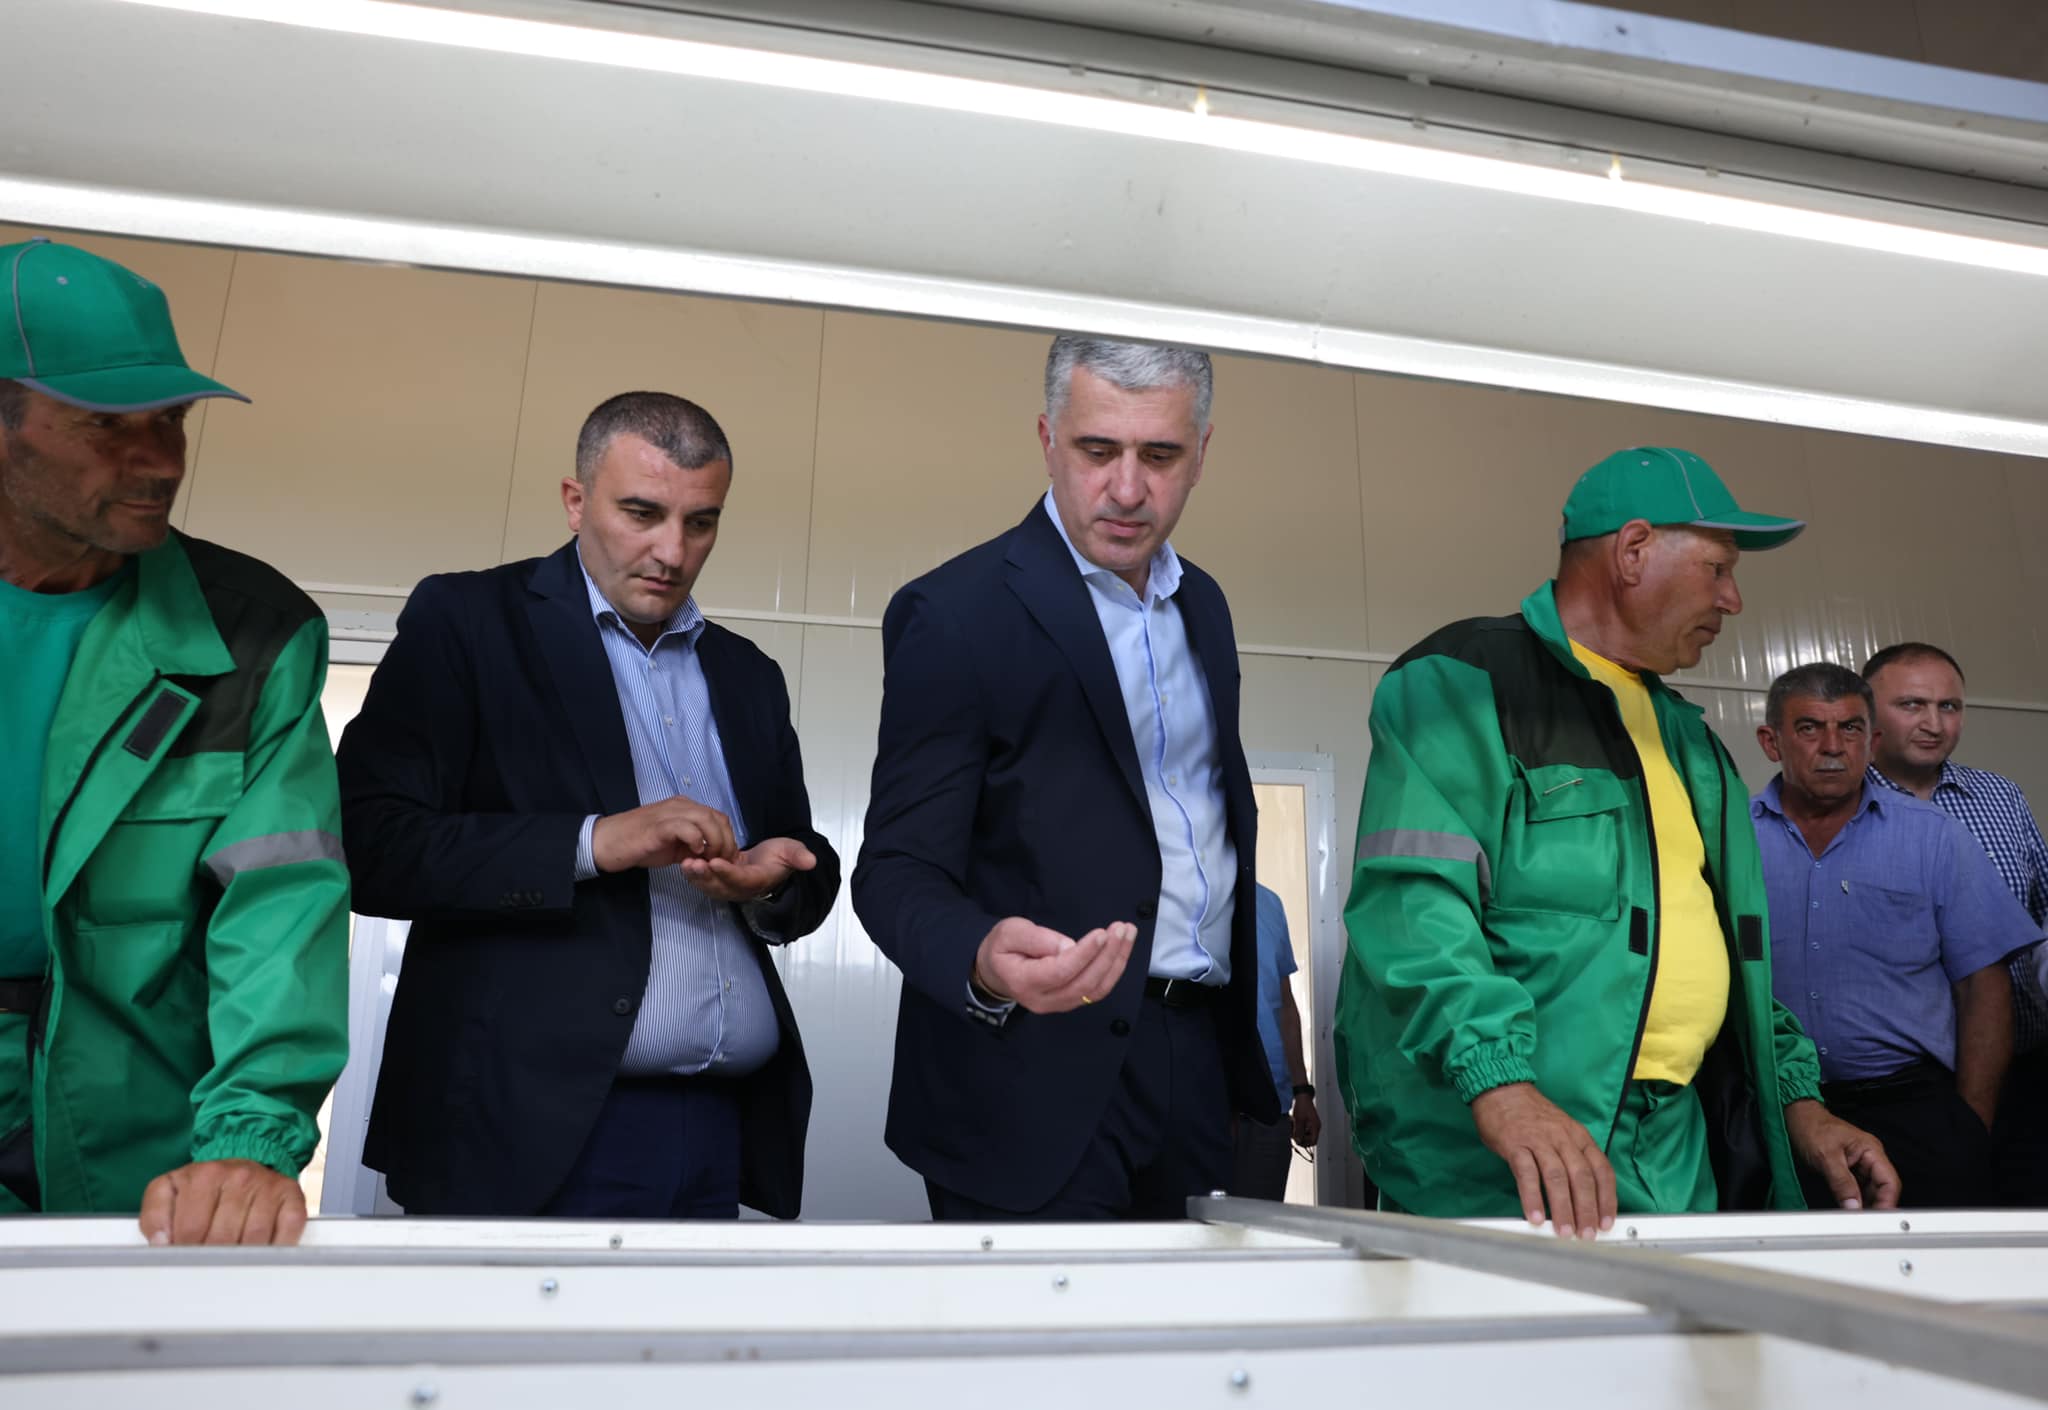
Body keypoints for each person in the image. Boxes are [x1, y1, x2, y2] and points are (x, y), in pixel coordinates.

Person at [1335, 446, 1899, 1238]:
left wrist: (1798, 1101)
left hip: (1672, 1147)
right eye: (1717, 569)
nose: (1733, 599)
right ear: (1634, 551)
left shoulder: (1692, 743)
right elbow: (1413, 909)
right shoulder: (1465, 682)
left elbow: (1729, 960)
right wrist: (1499, 1083)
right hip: (1503, 1155)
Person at [337, 392, 838, 1219]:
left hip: (722, 1129)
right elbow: (369, 845)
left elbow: (803, 861)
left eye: (701, 522)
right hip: (524, 1129)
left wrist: (769, 884)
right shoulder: (469, 623)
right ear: (575, 502)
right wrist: (592, 842)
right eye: (641, 513)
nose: (672, 551)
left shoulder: (749, 674)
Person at [853, 334, 1278, 1221]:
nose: (1127, 489)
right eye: (1097, 450)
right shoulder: (956, 615)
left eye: (1159, 455)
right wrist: (980, 957)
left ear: (1202, 454)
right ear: (1048, 439)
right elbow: (894, 871)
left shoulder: (1205, 606)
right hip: (1025, 1073)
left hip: (1194, 1061)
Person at [0, 237, 349, 1244]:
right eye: (108, 426)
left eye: (172, 419)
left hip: (133, 1149)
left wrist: (251, 1138)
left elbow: (280, 908)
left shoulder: (253, 636)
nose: (162, 460)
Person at [1754, 662, 2037, 1207]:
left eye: (1850, 729)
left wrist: (1970, 1123)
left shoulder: (1935, 837)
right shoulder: (1731, 839)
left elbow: (1983, 986)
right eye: (1809, 728)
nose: (1832, 746)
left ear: (1873, 741)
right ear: (1772, 742)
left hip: (1914, 1108)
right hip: (1777, 1110)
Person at [1864, 642, 2048, 1204]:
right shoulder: (1844, 805)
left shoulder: (2000, 796)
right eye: (1912, 705)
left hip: (2029, 1069)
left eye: (1949, 706)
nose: (1934, 723)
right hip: (1918, 1086)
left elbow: (2043, 911)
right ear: (1866, 713)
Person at [1230, 883, 1322, 1201]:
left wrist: (1302, 1092)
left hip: (1271, 1108)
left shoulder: (1269, 902)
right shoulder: (1180, 896)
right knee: (1197, 1225)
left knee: (1258, 1224)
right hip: (1205, 1106)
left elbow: (1283, 1002)